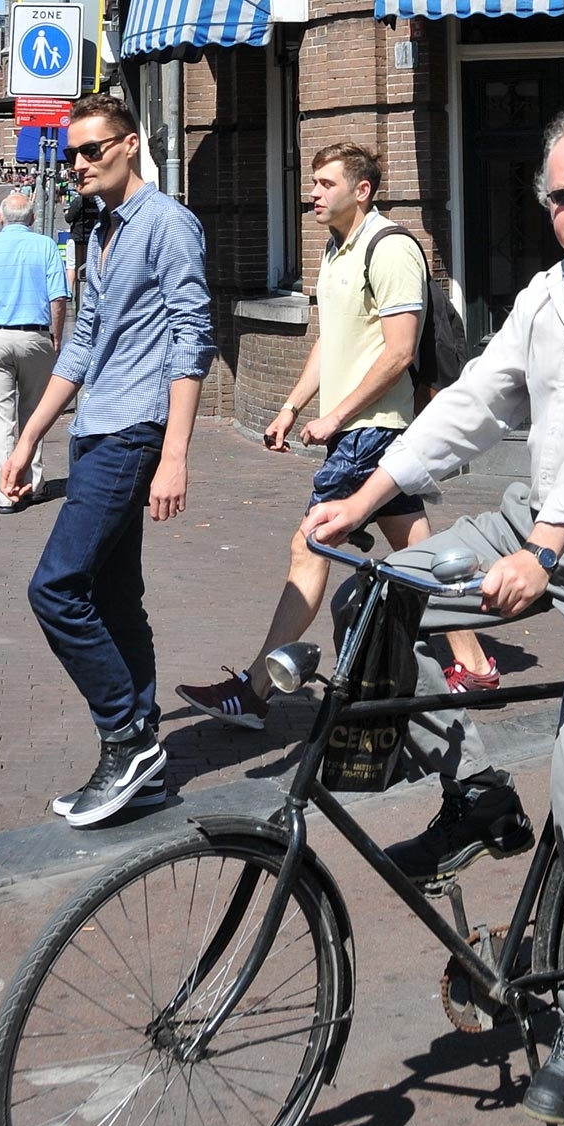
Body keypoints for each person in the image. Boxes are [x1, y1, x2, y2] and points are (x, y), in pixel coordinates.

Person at [303, 108, 564, 1126]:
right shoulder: (548, 296)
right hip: (540, 521)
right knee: (377, 596)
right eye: (563, 195)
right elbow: (473, 403)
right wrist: (361, 502)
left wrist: (546, 555)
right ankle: (478, 792)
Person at [176, 143, 498, 730]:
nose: (314, 194)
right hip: (360, 428)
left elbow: (400, 352)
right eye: (314, 184)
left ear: (362, 189)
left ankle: (256, 689)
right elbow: (332, 339)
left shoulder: (391, 248)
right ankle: (473, 663)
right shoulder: (332, 248)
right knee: (417, 554)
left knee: (310, 543)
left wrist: (336, 416)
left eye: (326, 184)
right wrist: (293, 405)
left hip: (374, 431)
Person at [0, 93, 216, 829]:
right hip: (95, 427)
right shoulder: (99, 231)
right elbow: (86, 338)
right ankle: (144, 764)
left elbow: (193, 338)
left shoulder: (167, 225)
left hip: (135, 433)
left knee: (56, 588)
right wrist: (29, 436)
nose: (80, 164)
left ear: (130, 146)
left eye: (93, 150)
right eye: (74, 152)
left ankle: (126, 736)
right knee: (118, 600)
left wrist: (175, 454)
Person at [0, 192, 68, 514]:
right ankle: (33, 481)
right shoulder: (45, 245)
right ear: (32, 219)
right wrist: (56, 338)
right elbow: (58, 298)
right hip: (34, 336)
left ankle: (7, 493)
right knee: (35, 414)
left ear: (1, 218)